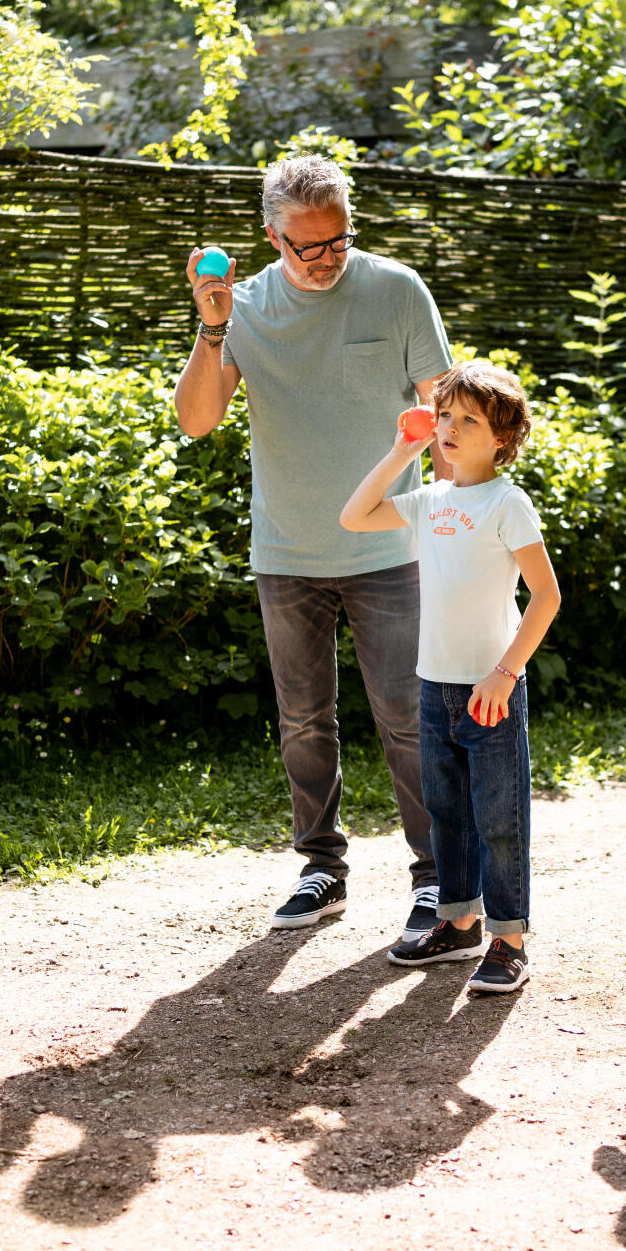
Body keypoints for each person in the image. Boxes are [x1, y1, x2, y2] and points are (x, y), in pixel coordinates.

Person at [173, 154, 454, 938]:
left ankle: (436, 878)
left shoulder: (396, 290)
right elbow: (196, 420)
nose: (328, 257)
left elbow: (447, 410)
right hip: (288, 550)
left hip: (391, 551)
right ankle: (322, 869)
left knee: (407, 716)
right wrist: (212, 323)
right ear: (272, 237)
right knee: (304, 720)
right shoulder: (245, 307)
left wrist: (459, 516)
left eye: (339, 240)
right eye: (309, 246)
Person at [339, 361, 560, 994]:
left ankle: (509, 937)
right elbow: (356, 515)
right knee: (446, 814)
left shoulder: (507, 502)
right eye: (445, 417)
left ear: (502, 438)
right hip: (434, 686)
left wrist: (504, 673)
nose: (451, 428)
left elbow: (546, 597)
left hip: (491, 688)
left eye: (469, 419)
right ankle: (459, 923)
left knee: (499, 816)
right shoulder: (430, 500)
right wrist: (402, 449)